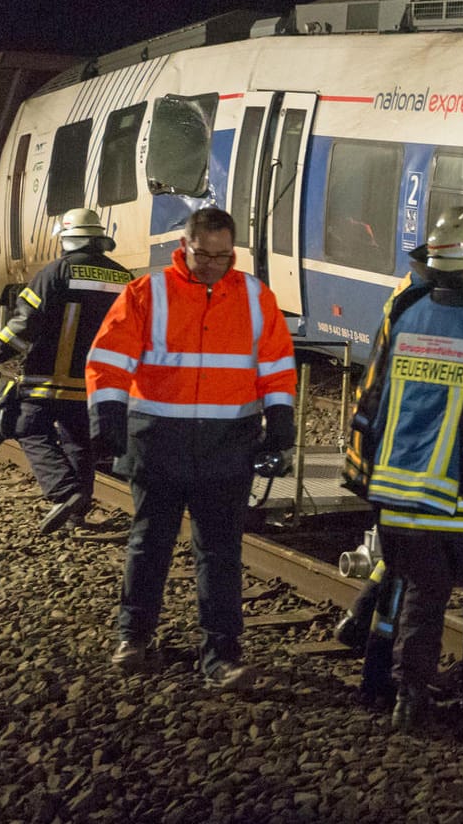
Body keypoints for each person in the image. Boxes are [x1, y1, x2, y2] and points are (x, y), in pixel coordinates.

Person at [87, 207, 298, 691]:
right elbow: (108, 358)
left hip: (226, 445)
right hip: (159, 441)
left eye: (223, 256)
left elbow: (276, 363)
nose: (213, 265)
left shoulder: (253, 297)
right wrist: (108, 419)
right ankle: (133, 640)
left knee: (220, 553)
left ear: (234, 251)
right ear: (183, 246)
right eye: (203, 255)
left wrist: (281, 418)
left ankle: (221, 656)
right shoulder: (148, 292)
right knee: (150, 543)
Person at [361, 205, 463, 740]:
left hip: (406, 497)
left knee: (420, 598)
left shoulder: (407, 313)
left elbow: (385, 401)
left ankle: (409, 703)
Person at [0, 208, 132, 534]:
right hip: (96, 383)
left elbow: (23, 324)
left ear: (66, 240)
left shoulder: (56, 272)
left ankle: (64, 492)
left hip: (50, 377)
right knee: (80, 441)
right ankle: (77, 515)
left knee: (27, 426)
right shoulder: (124, 278)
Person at [337, 238, 437, 708]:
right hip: (399, 459)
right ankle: (378, 676)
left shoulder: (406, 294)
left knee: (397, 559)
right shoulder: (423, 308)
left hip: (382, 454)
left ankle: (360, 620)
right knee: (407, 572)